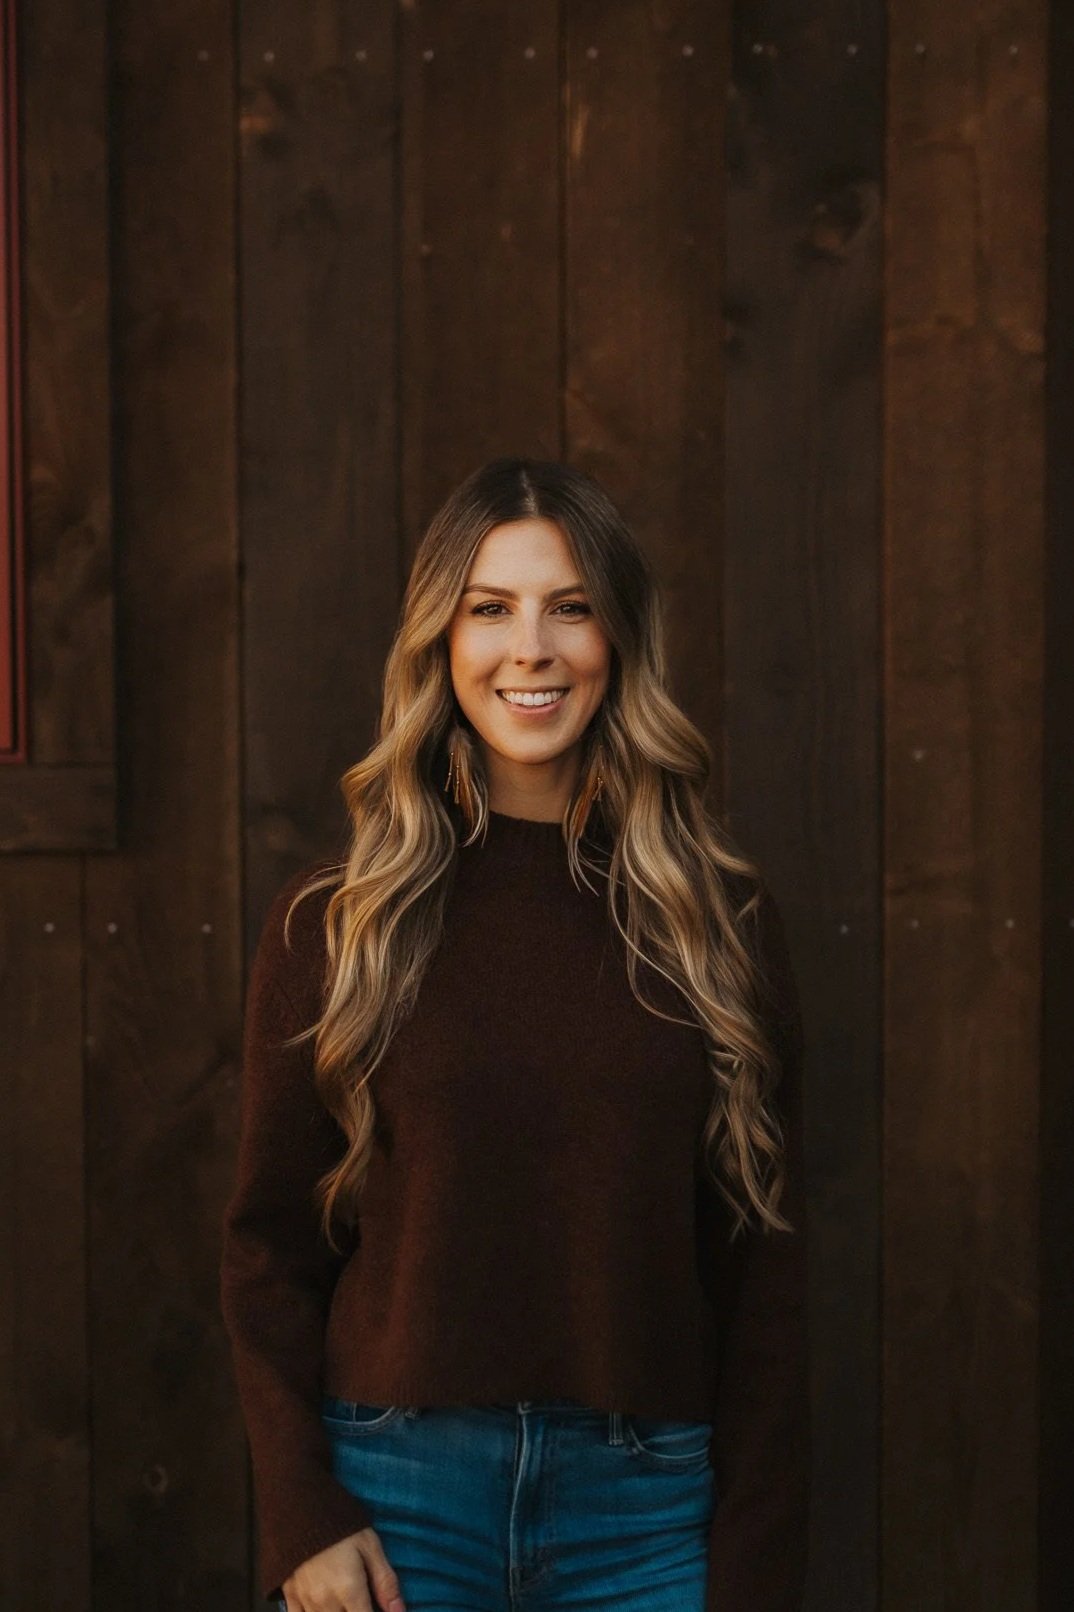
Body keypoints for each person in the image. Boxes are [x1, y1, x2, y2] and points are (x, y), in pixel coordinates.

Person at [219, 456, 810, 1612]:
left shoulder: (718, 925)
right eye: (490, 608)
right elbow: (268, 1252)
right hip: (395, 1504)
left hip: (646, 1518)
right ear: (441, 642)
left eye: (570, 606)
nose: (529, 646)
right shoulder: (339, 921)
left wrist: (752, 1570)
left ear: (619, 640)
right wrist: (303, 1516)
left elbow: (764, 1278)